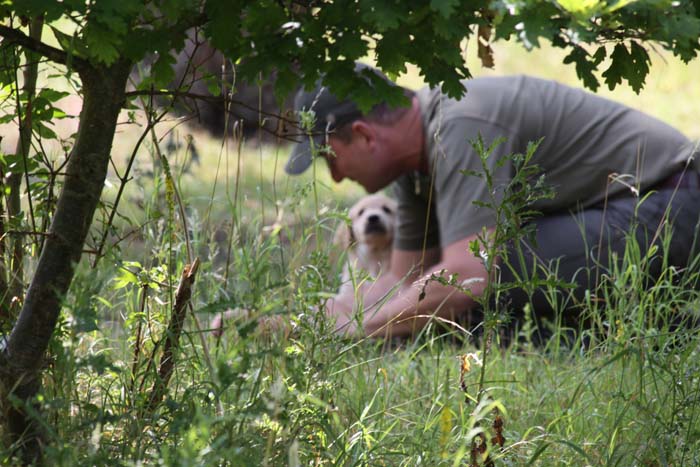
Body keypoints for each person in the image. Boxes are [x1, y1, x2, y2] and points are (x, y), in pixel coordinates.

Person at [285, 62, 700, 339]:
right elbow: (402, 278)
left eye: (329, 158)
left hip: (670, 201)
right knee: (435, 288)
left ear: (364, 135)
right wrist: (305, 326)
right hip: (617, 210)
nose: (336, 175)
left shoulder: (459, 126)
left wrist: (361, 332)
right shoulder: (412, 166)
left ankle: (650, 325)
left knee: (470, 279)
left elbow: (466, 275)